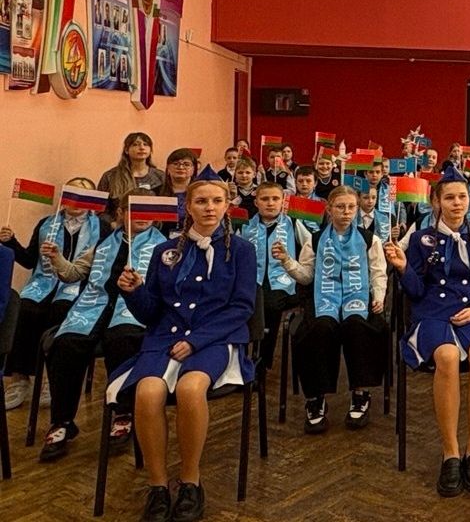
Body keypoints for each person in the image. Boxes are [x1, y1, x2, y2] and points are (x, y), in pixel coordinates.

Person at [106, 167, 258, 521]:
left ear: (227, 205)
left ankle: (190, 480)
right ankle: (158, 486)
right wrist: (134, 292)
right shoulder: (164, 251)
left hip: (215, 338)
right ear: (188, 206)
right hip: (164, 338)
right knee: (147, 392)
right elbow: (151, 312)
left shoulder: (242, 250)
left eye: (217, 201)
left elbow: (242, 307)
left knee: (191, 389)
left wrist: (195, 341)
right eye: (201, 201)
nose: (210, 208)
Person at [385, 165, 470, 496]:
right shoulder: (421, 240)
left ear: (469, 200)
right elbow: (417, 291)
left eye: (462, 197)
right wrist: (404, 268)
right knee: (447, 356)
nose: (457, 203)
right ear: (436, 202)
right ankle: (450, 453)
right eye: (449, 198)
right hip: (432, 314)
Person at [38, 189, 168, 461]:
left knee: (123, 339)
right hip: (94, 308)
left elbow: (169, 289)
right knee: (65, 343)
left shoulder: (164, 248)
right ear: (122, 213)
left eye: (148, 211)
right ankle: (62, 422)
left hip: (133, 312)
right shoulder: (104, 244)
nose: (142, 216)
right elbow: (73, 274)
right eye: (135, 209)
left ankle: (123, 414)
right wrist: (57, 257)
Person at [1, 177, 109, 410]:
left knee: (61, 311)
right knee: (25, 308)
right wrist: (12, 242)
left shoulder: (102, 227)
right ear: (64, 198)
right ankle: (20, 379)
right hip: (43, 283)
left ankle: (53, 379)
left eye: (84, 196)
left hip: (79, 285)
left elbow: (102, 265)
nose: (77, 202)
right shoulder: (46, 224)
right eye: (72, 195)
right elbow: (30, 260)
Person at [295, 185, 389, 433]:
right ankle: (315, 398)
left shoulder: (370, 239)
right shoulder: (315, 239)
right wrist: (286, 262)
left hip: (359, 298)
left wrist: (379, 296)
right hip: (323, 299)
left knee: (358, 326)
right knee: (318, 329)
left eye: (351, 207)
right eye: (340, 207)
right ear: (329, 209)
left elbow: (378, 273)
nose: (346, 212)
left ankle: (360, 393)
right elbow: (306, 276)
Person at [238, 183, 311, 370]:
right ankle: (240, 361)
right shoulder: (246, 225)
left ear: (282, 201)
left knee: (269, 305)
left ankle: (263, 362)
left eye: (275, 199)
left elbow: (310, 246)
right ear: (256, 202)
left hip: (282, 283)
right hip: (251, 281)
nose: (270, 203)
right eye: (265, 199)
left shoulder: (292, 222)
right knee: (242, 305)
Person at [97, 132, 166, 220]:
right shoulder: (110, 176)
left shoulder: (160, 176)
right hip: (118, 224)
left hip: (151, 224)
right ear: (126, 150)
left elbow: (164, 207)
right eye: (135, 144)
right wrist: (112, 223)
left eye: (145, 144)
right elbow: (100, 209)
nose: (142, 148)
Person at [159, 149, 201, 238]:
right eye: (176, 164)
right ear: (168, 168)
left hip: (195, 238)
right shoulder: (156, 193)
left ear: (194, 169)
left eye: (186, 164)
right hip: (161, 239)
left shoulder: (201, 193)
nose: (181, 167)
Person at [292, 166, 323, 232]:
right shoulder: (289, 202)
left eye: (308, 181)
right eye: (300, 181)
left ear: (315, 183)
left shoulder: (322, 203)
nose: (304, 184)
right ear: (295, 183)